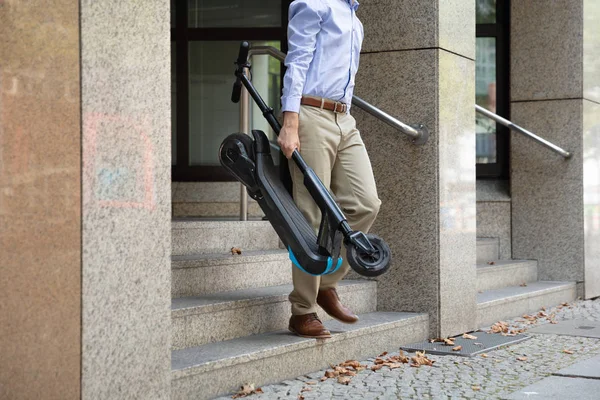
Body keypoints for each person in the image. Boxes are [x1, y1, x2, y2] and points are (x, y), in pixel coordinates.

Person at [279, 0, 381, 339]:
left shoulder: (355, 19)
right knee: (311, 215)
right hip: (310, 113)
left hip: (344, 118)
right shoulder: (314, 4)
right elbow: (297, 59)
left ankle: (326, 282)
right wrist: (290, 120)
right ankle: (302, 311)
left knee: (365, 203)